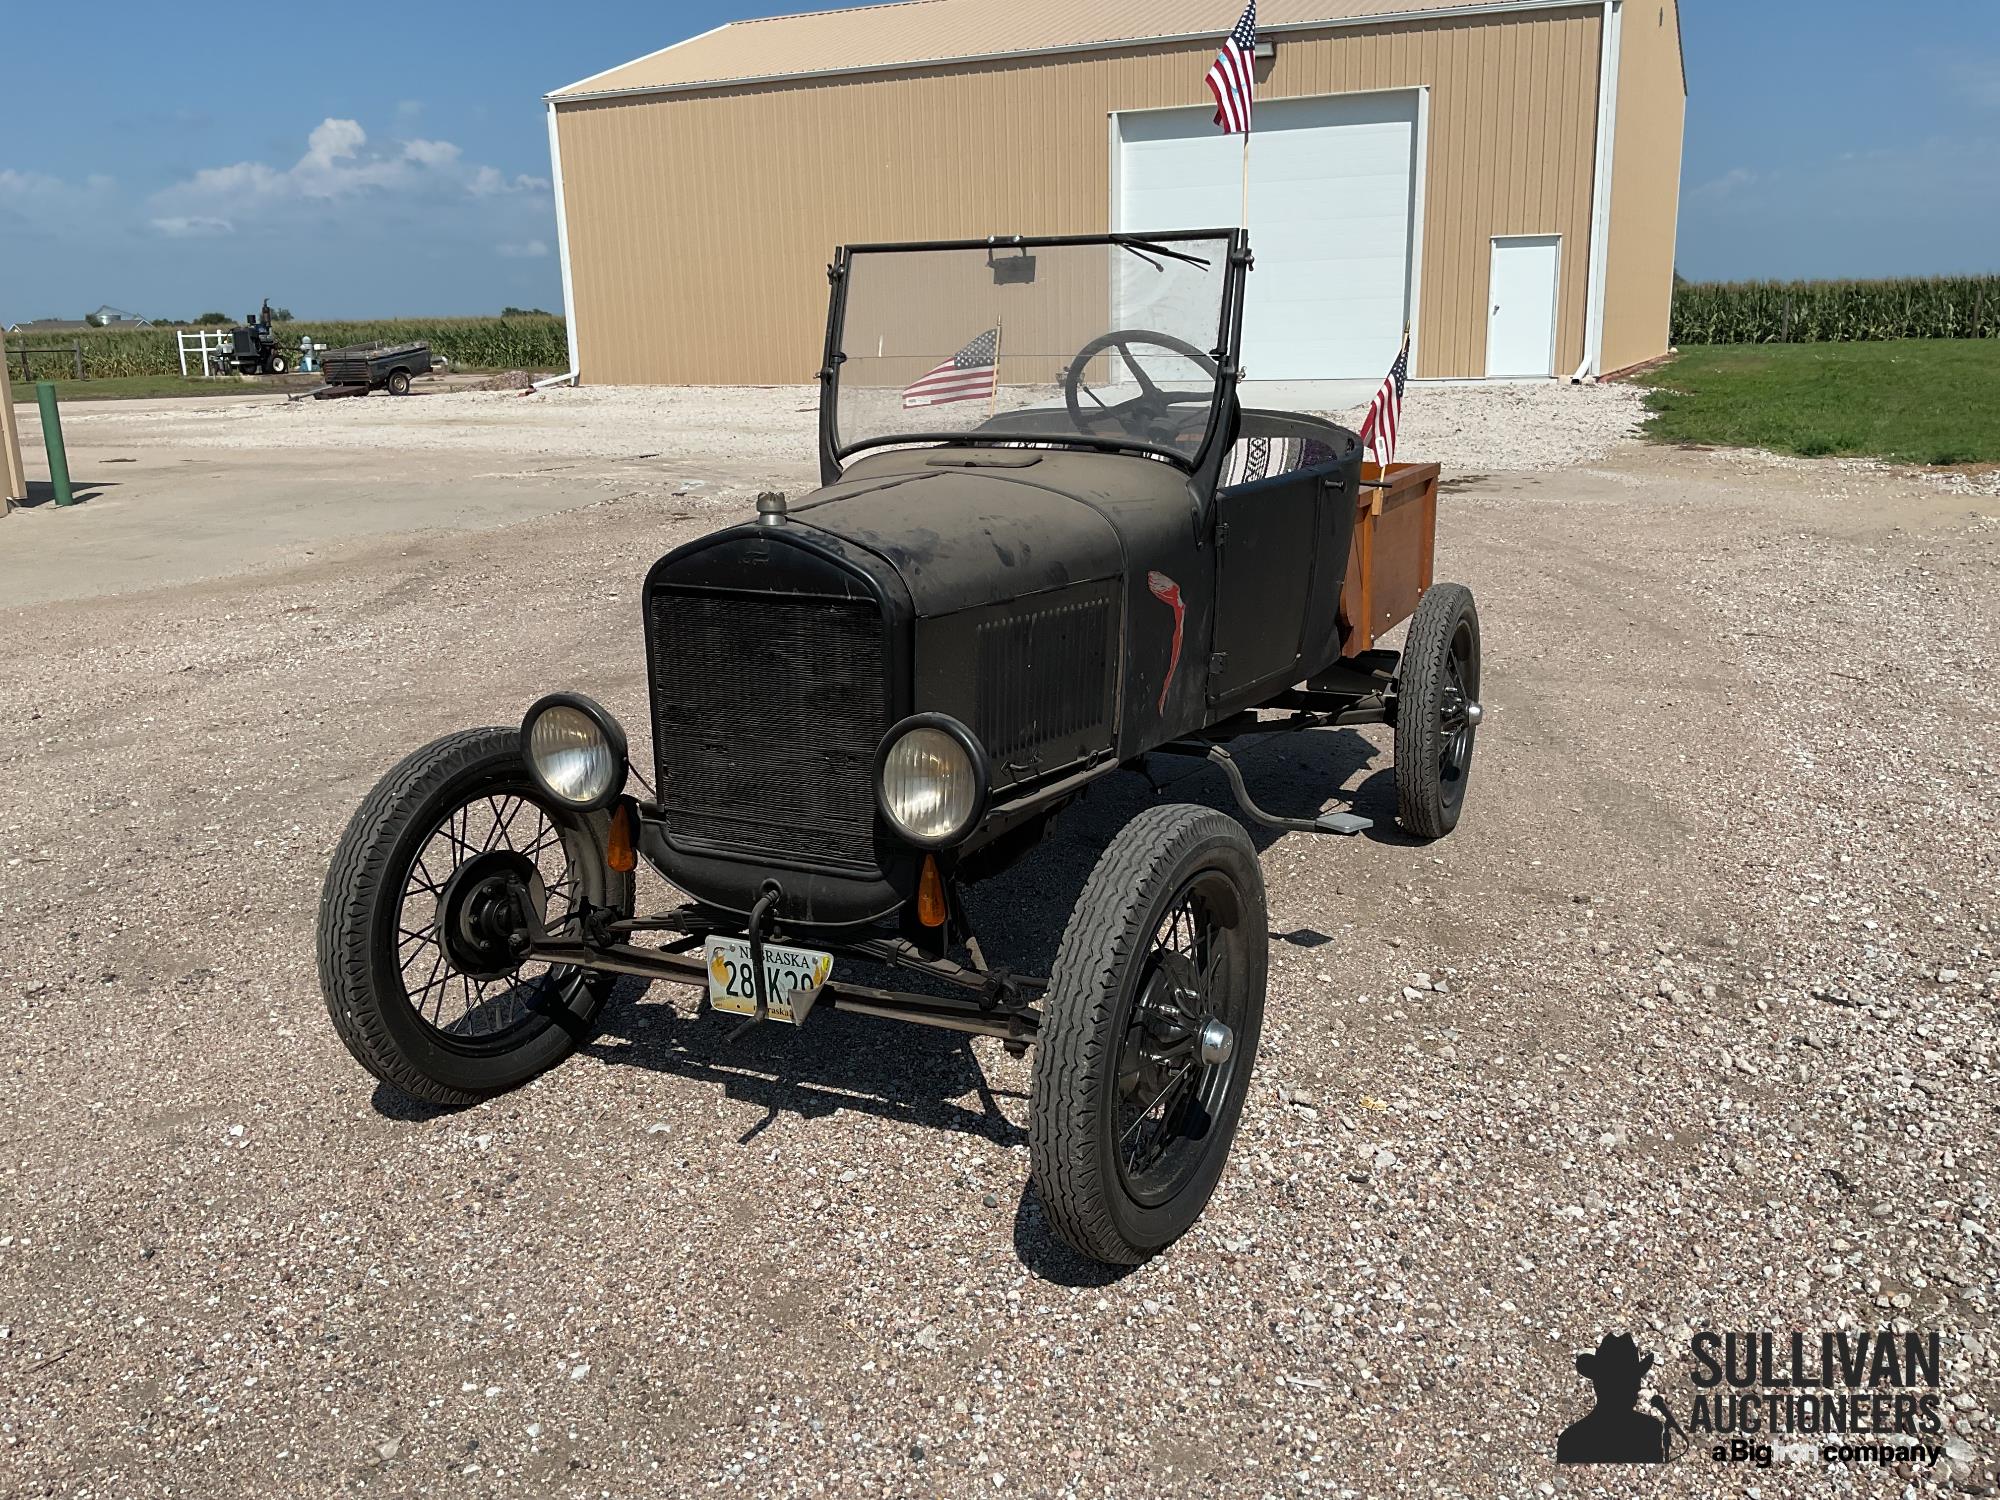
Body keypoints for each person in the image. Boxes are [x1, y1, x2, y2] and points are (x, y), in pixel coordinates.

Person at [1556, 1334, 1669, 1464]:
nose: (1638, 1387)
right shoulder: (1649, 1430)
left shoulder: (1572, 1439)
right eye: (1630, 1381)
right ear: (1602, 1385)